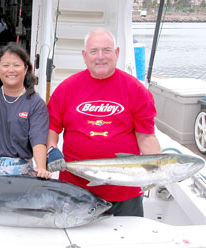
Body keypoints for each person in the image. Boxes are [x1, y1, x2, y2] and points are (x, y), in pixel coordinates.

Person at [46, 27, 161, 216]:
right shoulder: (66, 88)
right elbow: (52, 127)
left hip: (125, 189)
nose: (100, 56)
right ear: (84, 55)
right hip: (76, 189)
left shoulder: (136, 90)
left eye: (107, 50)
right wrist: (52, 149)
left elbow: (146, 138)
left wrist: (163, 170)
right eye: (94, 51)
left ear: (117, 53)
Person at [0, 42, 51, 180]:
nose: (11, 70)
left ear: (25, 69)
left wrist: (41, 167)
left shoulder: (35, 103)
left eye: (16, 65)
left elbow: (38, 140)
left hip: (18, 176)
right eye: (6, 65)